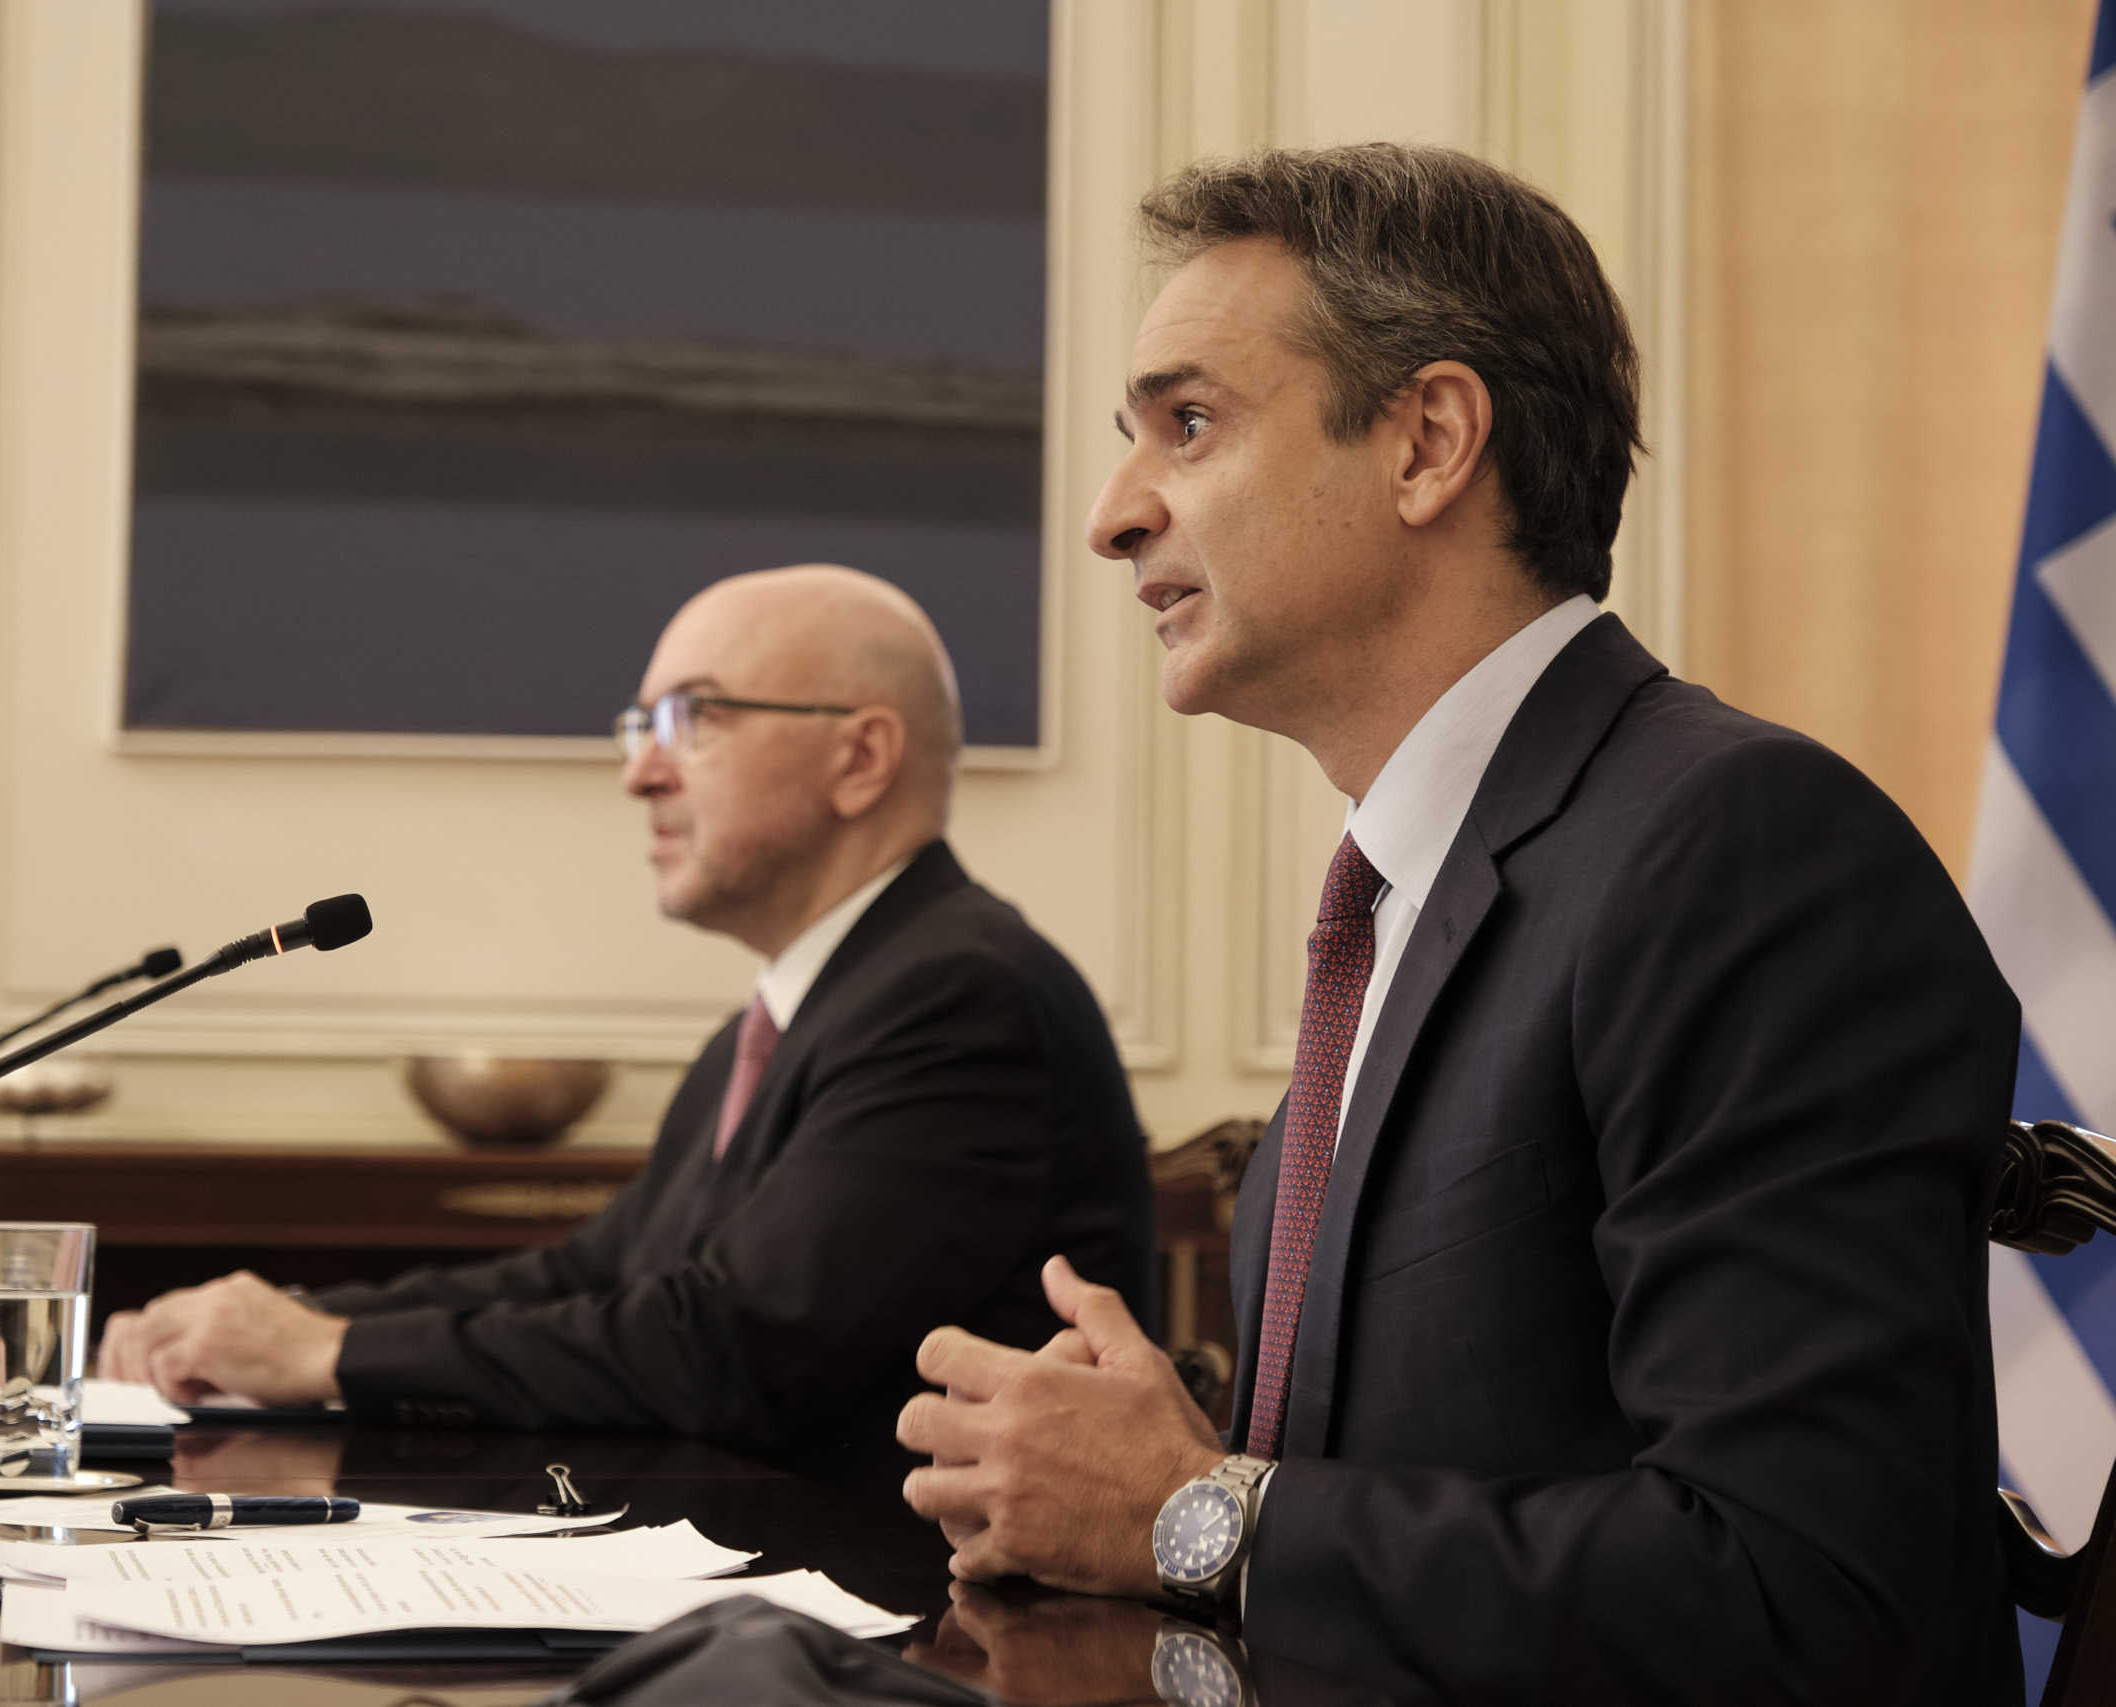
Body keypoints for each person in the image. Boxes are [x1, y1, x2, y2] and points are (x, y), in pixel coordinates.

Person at [896, 144, 2021, 1705]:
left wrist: (1192, 1509)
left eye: (1190, 423)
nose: (1111, 514)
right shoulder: (1414, 889)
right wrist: (1165, 1467)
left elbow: (1801, 1589)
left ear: (1427, 442)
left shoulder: (1745, 852)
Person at [100, 564, 1155, 1492]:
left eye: (692, 719)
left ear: (860, 758)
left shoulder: (960, 999)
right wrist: (286, 1326)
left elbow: (731, 1350)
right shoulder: (787, 1020)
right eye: (639, 727)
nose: (639, 772)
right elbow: (589, 1280)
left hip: (918, 1620)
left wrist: (324, 1354)